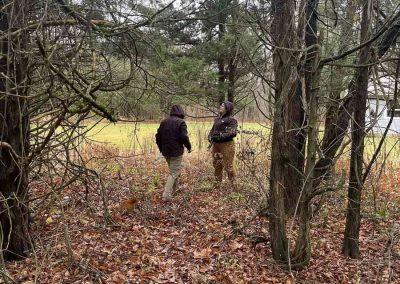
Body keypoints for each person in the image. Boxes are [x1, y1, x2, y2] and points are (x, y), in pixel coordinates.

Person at [156, 105, 192, 201]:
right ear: (181, 112)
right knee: (173, 172)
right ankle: (166, 195)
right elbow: (184, 137)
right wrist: (189, 147)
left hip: (166, 151)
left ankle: (175, 190)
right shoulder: (181, 122)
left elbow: (158, 136)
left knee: (174, 171)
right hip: (176, 152)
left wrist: (161, 149)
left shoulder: (164, 122)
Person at [208, 101, 238, 188]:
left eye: (222, 106)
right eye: (220, 105)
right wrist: (210, 137)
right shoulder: (217, 120)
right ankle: (217, 186)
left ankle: (234, 186)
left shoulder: (232, 120)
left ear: (227, 108)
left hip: (227, 145)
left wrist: (220, 136)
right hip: (216, 145)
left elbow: (232, 132)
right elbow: (212, 131)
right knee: (217, 164)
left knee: (228, 166)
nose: (220, 107)